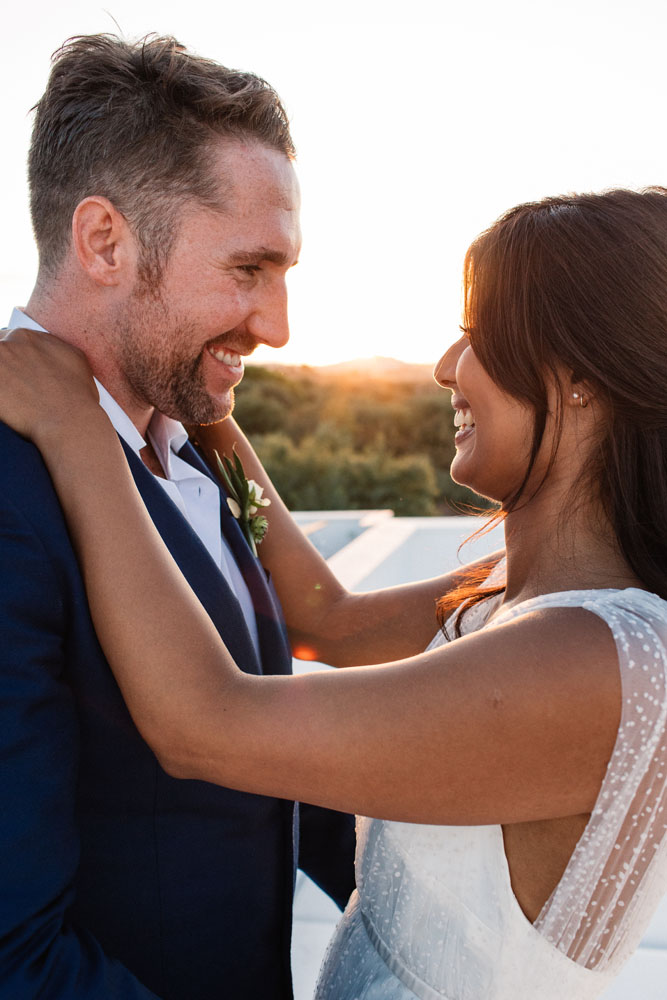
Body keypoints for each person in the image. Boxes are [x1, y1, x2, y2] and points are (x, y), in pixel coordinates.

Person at [4, 187, 667, 1000]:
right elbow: (328, 621)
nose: (444, 368)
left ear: (581, 379)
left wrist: (74, 426)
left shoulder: (599, 661)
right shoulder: (520, 597)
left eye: (480, 336)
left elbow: (204, 722)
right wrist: (196, 389)